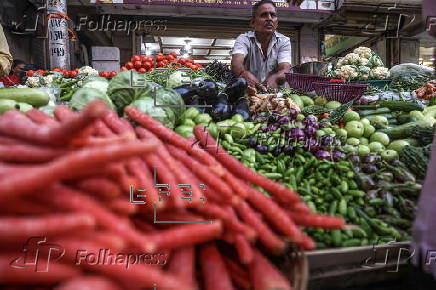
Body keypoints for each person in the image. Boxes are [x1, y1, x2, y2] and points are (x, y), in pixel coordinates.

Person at [231, 0, 291, 90]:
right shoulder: (244, 39)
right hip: (249, 92)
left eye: (273, 15)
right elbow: (236, 63)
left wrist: (276, 77)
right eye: (264, 15)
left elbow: (285, 69)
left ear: (277, 23)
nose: (269, 18)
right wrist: (243, 73)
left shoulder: (284, 41)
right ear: (253, 23)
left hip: (275, 95)